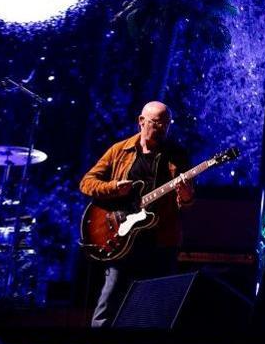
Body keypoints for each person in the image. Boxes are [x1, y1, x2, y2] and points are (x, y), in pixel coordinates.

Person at [79, 101, 195, 327]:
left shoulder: (177, 156)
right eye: (155, 122)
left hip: (160, 241)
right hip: (121, 238)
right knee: (108, 304)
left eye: (166, 124)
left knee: (156, 308)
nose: (161, 128)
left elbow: (186, 205)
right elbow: (86, 183)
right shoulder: (119, 150)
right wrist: (114, 187)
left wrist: (187, 194)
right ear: (141, 121)